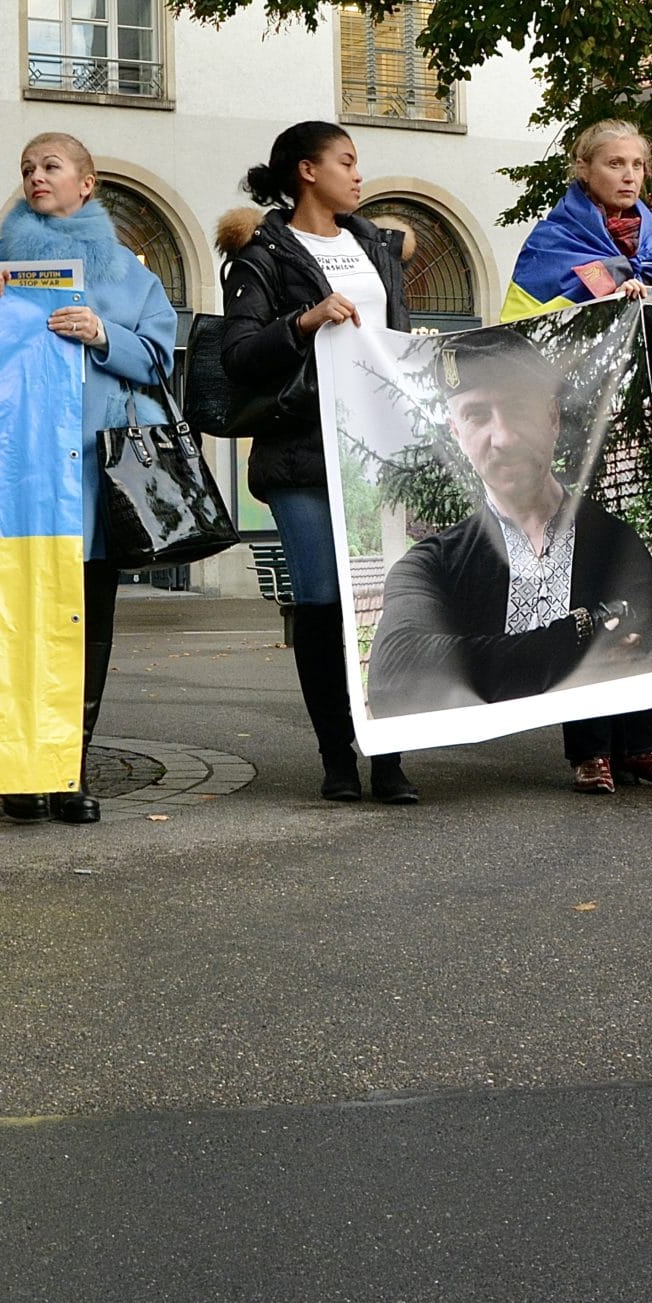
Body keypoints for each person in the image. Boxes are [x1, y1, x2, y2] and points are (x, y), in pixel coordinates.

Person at [362, 332, 652, 796]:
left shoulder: (614, 540)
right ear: (456, 432)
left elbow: (647, 645)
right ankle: (591, 755)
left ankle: (634, 750)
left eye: (519, 409)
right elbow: (397, 667)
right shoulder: (432, 564)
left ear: (551, 416)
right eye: (477, 415)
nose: (502, 437)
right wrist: (577, 635)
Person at [0, 131, 179, 823]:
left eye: (51, 166)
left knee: (88, 628)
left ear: (85, 183)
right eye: (27, 166)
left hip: (99, 480)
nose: (36, 176)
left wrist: (103, 335)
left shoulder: (129, 273)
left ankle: (67, 771)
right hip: (22, 478)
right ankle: (19, 769)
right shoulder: (0, 258)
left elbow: (161, 356)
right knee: (19, 626)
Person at [219, 121, 416, 802]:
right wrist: (304, 320)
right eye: (347, 161)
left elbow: (400, 343)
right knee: (324, 600)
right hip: (300, 453)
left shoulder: (378, 248)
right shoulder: (264, 254)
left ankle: (389, 757)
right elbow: (238, 356)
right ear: (308, 170)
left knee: (385, 605)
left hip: (379, 451)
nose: (359, 176)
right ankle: (338, 758)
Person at [499, 117, 652, 317]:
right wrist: (604, 306)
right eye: (615, 164)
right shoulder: (550, 242)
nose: (630, 176)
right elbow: (516, 331)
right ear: (583, 169)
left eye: (638, 165)